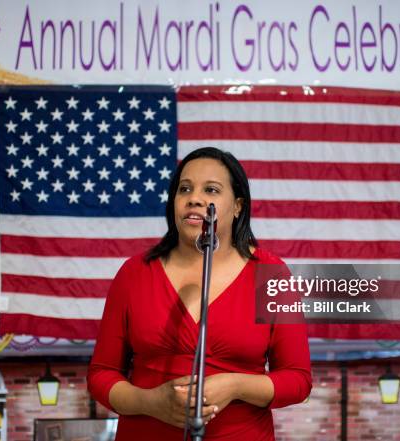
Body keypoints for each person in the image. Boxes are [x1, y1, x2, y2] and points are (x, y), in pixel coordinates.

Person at [87, 147, 312, 440]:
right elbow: (101, 375)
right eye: (185, 189)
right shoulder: (134, 273)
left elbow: (298, 380)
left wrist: (235, 385)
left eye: (211, 189)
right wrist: (151, 402)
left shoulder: (271, 273)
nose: (194, 198)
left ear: (238, 206)